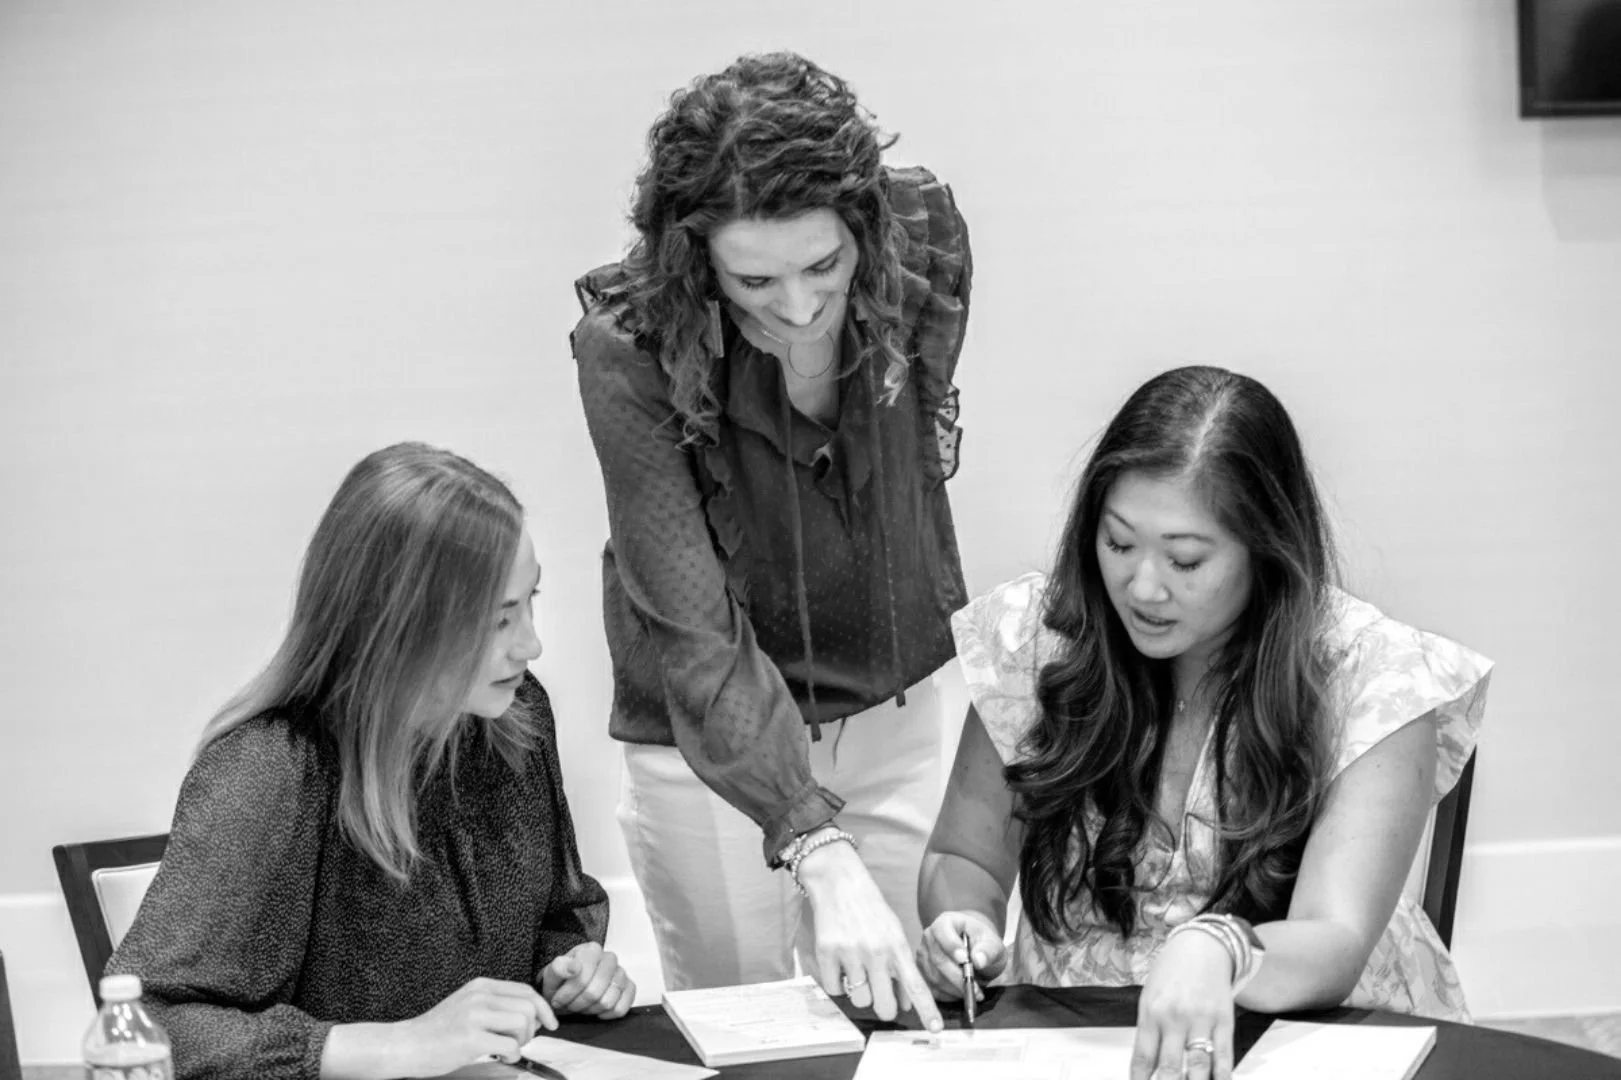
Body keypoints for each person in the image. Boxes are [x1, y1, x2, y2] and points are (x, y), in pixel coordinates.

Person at [917, 367, 1491, 1080]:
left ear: (1266, 548)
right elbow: (964, 858)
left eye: (1185, 559)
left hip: (1307, 1037)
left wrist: (1219, 946)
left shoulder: (1370, 675)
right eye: (1119, 544)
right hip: (1077, 1042)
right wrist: (960, 926)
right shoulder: (1034, 643)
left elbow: (1334, 938)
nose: (1143, 587)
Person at [571, 51, 971, 1028]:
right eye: (752, 277)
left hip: (894, 709)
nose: (795, 308)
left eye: (822, 266)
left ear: (863, 232)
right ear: (693, 256)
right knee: (750, 1034)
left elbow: (907, 443)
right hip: (705, 746)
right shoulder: (629, 346)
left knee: (917, 1017)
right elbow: (691, 621)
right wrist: (807, 840)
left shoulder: (924, 238)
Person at [107, 443, 634, 1080]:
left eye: (530, 602)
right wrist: (395, 1047)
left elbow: (552, 914)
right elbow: (144, 1024)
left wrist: (566, 967)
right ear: (400, 623)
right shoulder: (271, 773)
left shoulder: (513, 720)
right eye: (498, 620)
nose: (531, 643)